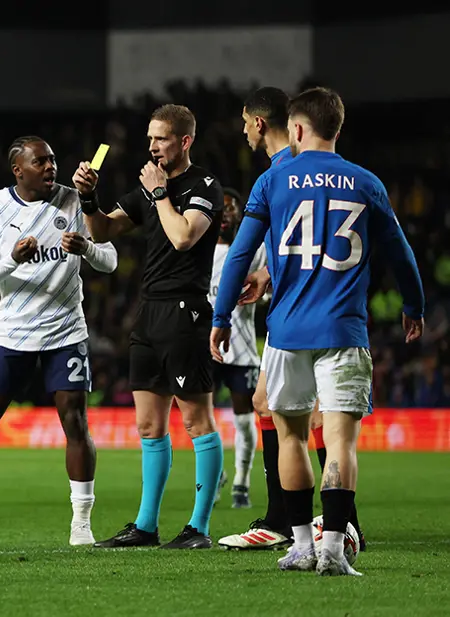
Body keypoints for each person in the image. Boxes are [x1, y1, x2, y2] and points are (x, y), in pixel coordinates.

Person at [211, 87, 424, 576]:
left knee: (289, 437)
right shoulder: (366, 182)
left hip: (286, 332)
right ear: (337, 128)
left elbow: (240, 256)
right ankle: (333, 550)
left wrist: (221, 318)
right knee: (341, 442)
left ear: (299, 130)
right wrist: (413, 305)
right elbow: (401, 253)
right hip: (345, 330)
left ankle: (302, 544)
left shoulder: (273, 180)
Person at [0, 136, 117, 548]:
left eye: (52, 160)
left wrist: (85, 248)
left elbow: (111, 259)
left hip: (66, 330)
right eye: (41, 162)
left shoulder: (75, 200)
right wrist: (12, 257)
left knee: (76, 423)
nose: (51, 167)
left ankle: (81, 523)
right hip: (13, 332)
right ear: (18, 170)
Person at [219, 88, 365, 551]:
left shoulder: (286, 172)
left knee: (305, 415)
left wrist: (225, 307)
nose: (242, 130)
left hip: (304, 318)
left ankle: (316, 523)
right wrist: (269, 275)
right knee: (271, 404)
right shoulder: (310, 167)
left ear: (261, 124)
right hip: (318, 310)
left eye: (245, 121)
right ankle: (294, 518)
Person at [76, 104, 225, 549]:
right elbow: (101, 231)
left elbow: (183, 237)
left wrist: (160, 194)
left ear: (185, 141)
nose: (152, 146)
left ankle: (198, 527)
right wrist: (88, 199)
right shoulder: (147, 187)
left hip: (187, 311)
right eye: (149, 138)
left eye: (160, 139)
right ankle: (145, 526)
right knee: (148, 425)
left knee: (197, 420)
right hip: (150, 311)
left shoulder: (205, 186)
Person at [208, 187, 266, 510]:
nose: (227, 214)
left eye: (233, 209)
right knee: (205, 416)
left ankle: (242, 480)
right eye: (223, 208)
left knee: (244, 421)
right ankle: (215, 473)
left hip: (242, 350)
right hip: (208, 346)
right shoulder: (199, 252)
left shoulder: (253, 253)